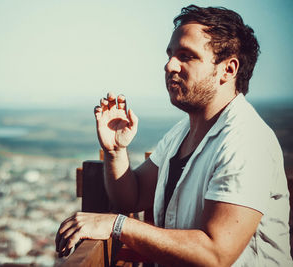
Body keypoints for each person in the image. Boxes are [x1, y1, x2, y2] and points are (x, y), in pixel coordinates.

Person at [55, 5, 292, 266]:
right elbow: (130, 197)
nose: (170, 65)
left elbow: (215, 254)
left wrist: (116, 224)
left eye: (186, 56)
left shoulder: (246, 140)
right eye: (170, 54)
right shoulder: (181, 133)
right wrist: (115, 151)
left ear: (228, 69)